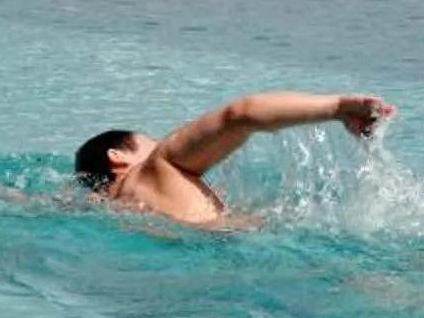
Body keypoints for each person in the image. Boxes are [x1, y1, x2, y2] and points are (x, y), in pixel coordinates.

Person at [73, 92, 396, 225]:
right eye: (152, 142)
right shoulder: (155, 168)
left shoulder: (109, 207)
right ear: (117, 156)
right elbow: (240, 114)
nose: (159, 145)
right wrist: (338, 108)